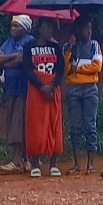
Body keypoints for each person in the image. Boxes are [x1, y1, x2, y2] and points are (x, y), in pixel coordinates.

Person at [23, 18, 67, 177]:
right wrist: (41, 86)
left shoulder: (56, 48)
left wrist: (52, 86)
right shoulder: (29, 47)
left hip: (52, 89)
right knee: (36, 124)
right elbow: (27, 69)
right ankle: (35, 163)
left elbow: (61, 70)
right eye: (47, 26)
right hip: (36, 90)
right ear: (39, 28)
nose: (50, 30)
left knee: (54, 123)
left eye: (52, 28)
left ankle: (53, 163)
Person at [0, 16, 36, 173]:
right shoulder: (9, 42)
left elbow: (23, 59)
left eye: (16, 26)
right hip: (11, 88)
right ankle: (24, 160)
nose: (13, 28)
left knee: (20, 122)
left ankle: (18, 160)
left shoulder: (30, 41)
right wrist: (12, 58)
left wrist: (7, 61)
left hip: (24, 88)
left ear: (25, 28)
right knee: (14, 121)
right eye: (12, 25)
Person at [64, 17, 103, 175]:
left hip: (89, 89)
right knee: (75, 126)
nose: (89, 31)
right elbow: (66, 69)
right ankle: (77, 164)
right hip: (73, 89)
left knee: (90, 125)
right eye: (86, 28)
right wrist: (70, 49)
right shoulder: (68, 47)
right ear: (78, 30)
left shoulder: (94, 45)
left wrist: (78, 69)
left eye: (90, 28)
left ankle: (91, 164)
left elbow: (97, 66)